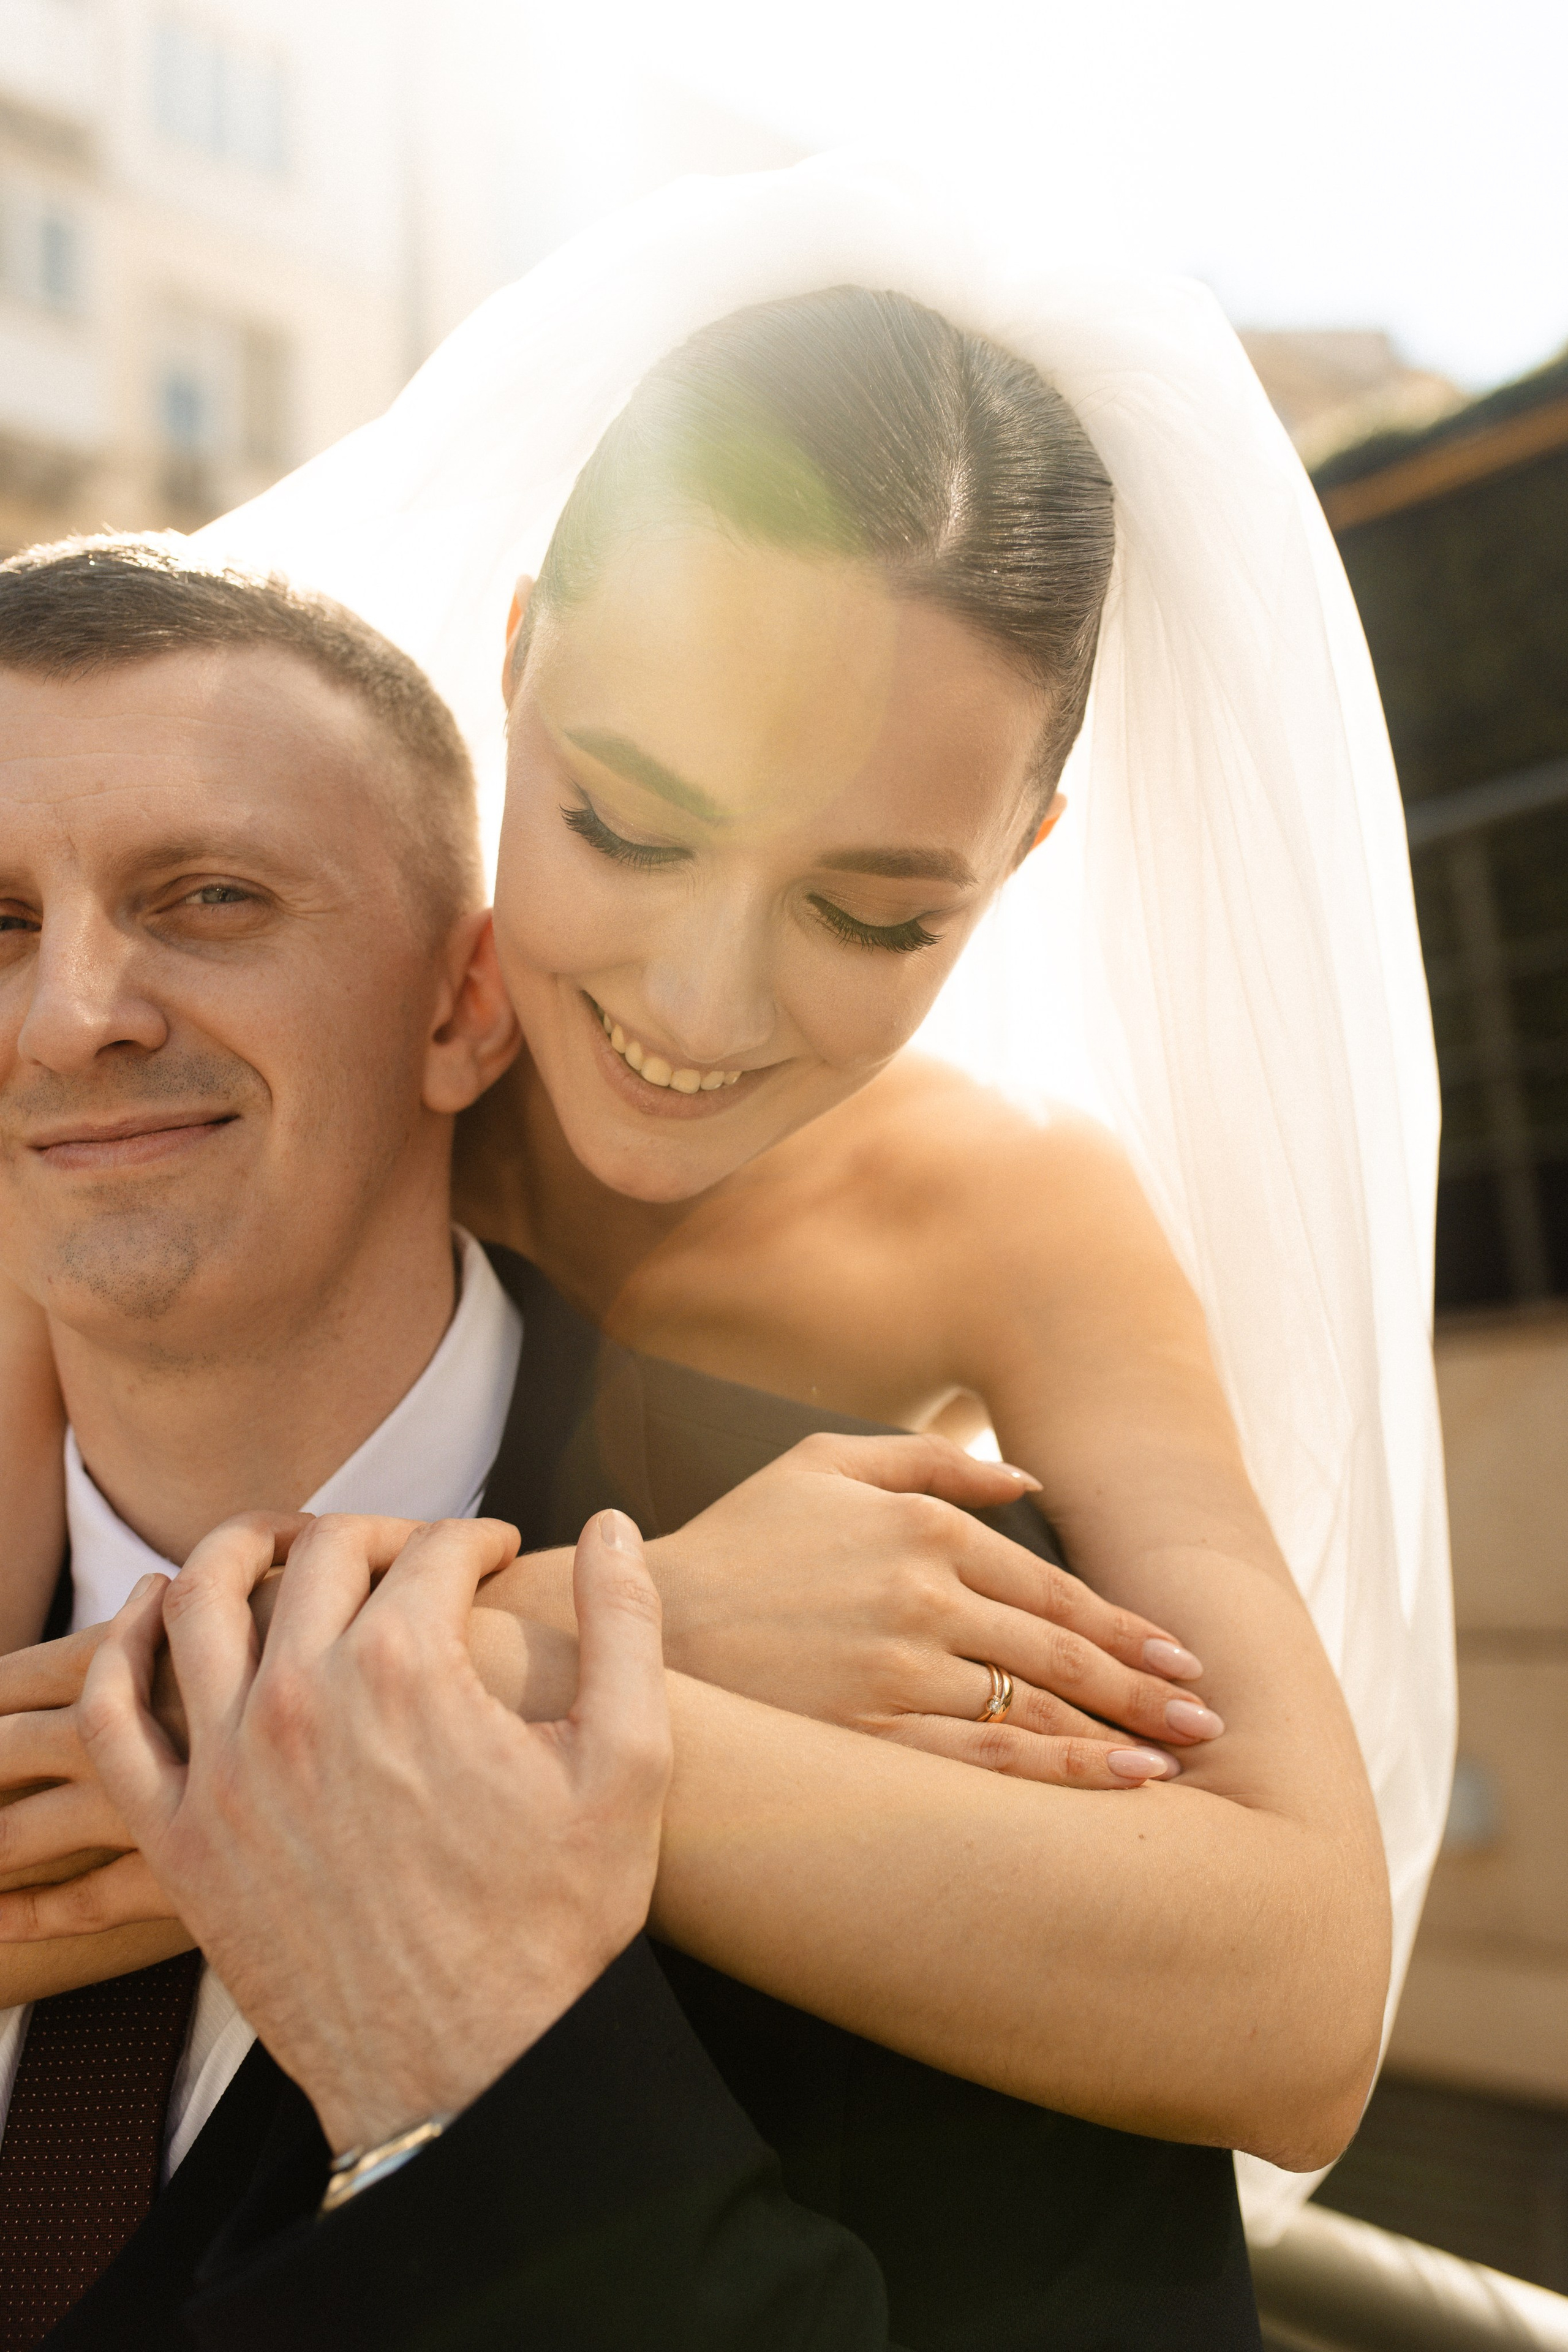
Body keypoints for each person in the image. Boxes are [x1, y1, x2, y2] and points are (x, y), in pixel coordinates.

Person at [0, 545, 1354, 2350]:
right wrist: (608, 1633)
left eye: (217, 895)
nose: (71, 1011)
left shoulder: (947, 1648)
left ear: (459, 1003)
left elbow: (1298, 1994)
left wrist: (500, 1680)